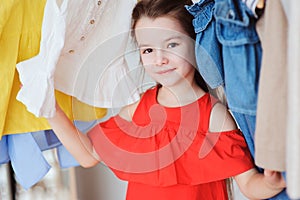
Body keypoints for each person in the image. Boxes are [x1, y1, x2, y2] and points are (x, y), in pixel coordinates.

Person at [47, 0, 286, 199]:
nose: (159, 59)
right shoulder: (138, 109)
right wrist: (50, 109)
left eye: (171, 44)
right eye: (148, 50)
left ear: (194, 44)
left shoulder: (213, 115)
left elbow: (248, 183)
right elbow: (88, 154)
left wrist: (272, 183)